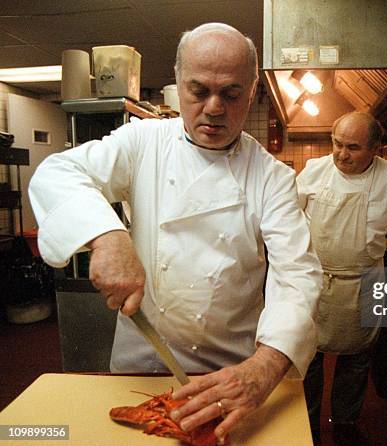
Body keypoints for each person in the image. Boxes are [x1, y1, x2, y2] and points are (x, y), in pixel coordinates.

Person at [29, 23, 322, 443]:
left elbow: (297, 275)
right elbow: (59, 172)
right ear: (178, 82)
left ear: (254, 90)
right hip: (138, 360)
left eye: (232, 93)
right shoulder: (143, 142)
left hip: (230, 374)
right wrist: (107, 235)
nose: (215, 108)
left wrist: (265, 367)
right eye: (199, 91)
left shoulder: (271, 177)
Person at [296, 111, 387, 444]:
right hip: (315, 280)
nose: (341, 154)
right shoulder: (314, 171)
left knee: (357, 359)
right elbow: (284, 216)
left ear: (375, 149)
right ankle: (307, 425)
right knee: (309, 358)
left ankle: (345, 423)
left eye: (353, 148)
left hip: (364, 283)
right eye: (337, 144)